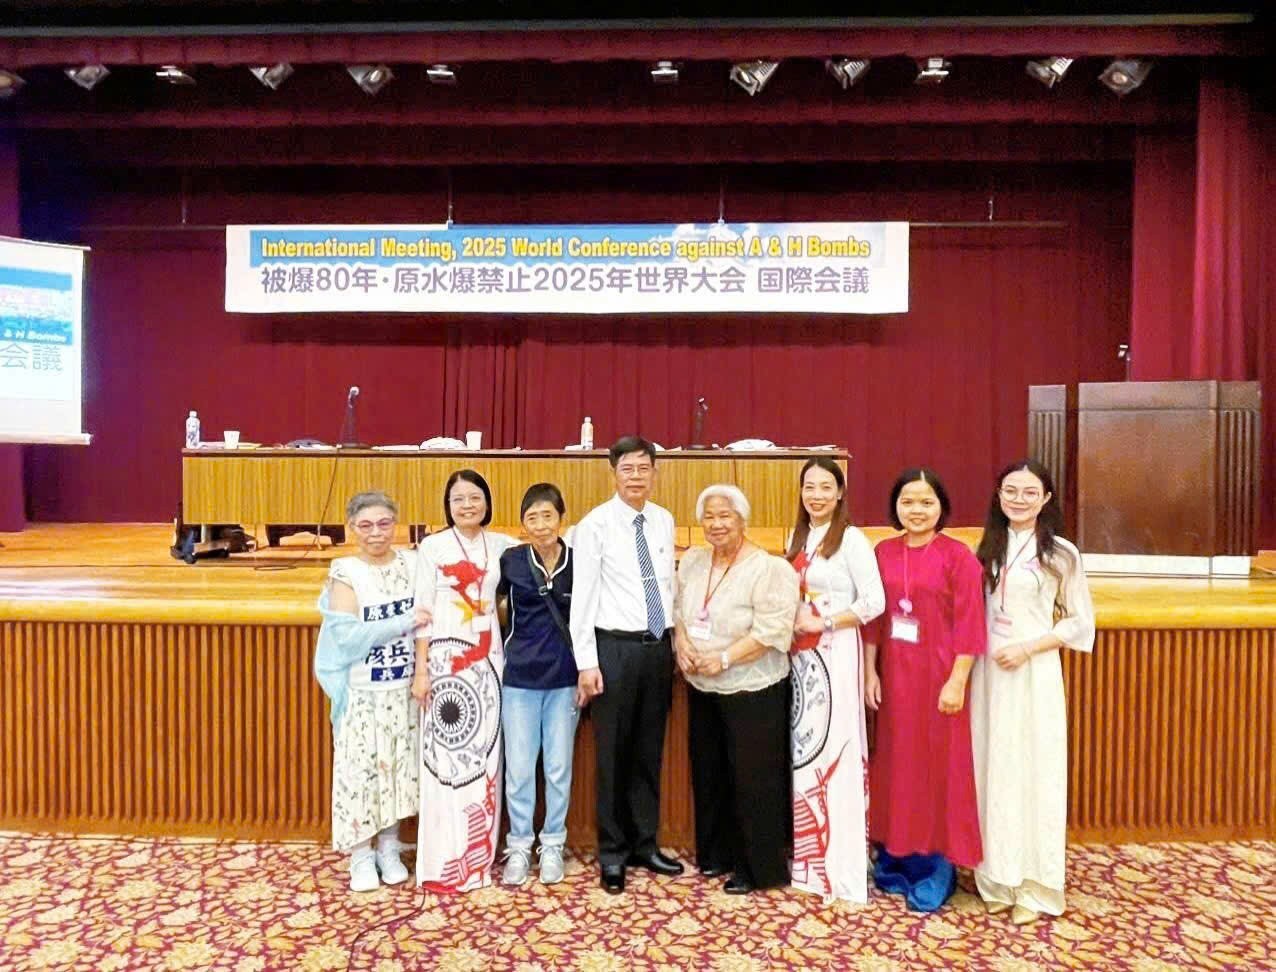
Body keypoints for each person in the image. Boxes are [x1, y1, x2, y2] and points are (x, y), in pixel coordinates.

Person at [971, 459, 1095, 925]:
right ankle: (997, 877)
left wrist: (1027, 648)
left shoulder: (1061, 552)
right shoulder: (988, 546)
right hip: (988, 674)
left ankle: (1036, 888)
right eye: (1009, 491)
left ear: (1045, 498)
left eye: (1028, 492)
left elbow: (1079, 622)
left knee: (1032, 772)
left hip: (1032, 671)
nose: (1017, 500)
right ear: (997, 496)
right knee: (993, 768)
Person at [865, 468, 986, 912]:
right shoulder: (883, 552)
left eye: (926, 502)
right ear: (895, 505)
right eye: (908, 502)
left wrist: (958, 680)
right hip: (895, 677)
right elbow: (874, 619)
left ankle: (937, 866)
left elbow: (972, 624)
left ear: (941, 507)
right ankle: (897, 857)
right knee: (897, 764)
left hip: (939, 682)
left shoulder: (959, 556)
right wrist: (869, 672)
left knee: (937, 770)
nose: (916, 510)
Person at [570, 435, 683, 894]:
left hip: (657, 647)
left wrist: (674, 645)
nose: (636, 477)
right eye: (627, 469)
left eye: (644, 468)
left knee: (648, 750)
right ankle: (612, 853)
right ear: (613, 473)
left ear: (655, 472)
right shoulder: (593, 525)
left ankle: (644, 843)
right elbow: (584, 598)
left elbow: (668, 586)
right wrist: (586, 663)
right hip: (612, 650)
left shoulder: (664, 520)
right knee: (613, 755)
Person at [675, 485, 799, 894]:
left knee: (753, 779)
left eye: (726, 515)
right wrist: (682, 645)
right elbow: (679, 610)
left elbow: (773, 631)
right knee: (711, 773)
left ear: (743, 520)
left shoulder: (770, 569)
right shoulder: (693, 561)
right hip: (702, 684)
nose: (717, 524)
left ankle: (758, 867)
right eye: (709, 516)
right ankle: (718, 855)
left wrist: (725, 658)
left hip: (752, 688)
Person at [314, 491, 430, 892]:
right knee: (361, 774)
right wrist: (400, 622)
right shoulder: (345, 571)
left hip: (402, 689)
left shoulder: (413, 564)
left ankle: (389, 847)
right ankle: (361, 855)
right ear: (352, 529)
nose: (376, 533)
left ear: (395, 523)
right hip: (363, 692)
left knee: (397, 770)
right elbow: (347, 637)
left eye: (383, 523)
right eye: (366, 525)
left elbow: (428, 619)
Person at [412, 469, 517, 892]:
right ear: (448, 505)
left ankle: (476, 862)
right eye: (458, 499)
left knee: (484, 760)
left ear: (487, 502)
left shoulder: (504, 546)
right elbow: (422, 612)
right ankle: (439, 861)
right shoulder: (432, 547)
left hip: (490, 664)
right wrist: (421, 671)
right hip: (445, 663)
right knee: (444, 764)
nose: (467, 506)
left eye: (475, 497)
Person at [785, 458, 885, 903]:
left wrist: (823, 622)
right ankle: (810, 865)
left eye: (826, 487)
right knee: (805, 752)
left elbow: (873, 602)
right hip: (802, 661)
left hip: (836, 652)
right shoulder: (799, 536)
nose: (817, 495)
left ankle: (841, 865)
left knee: (836, 753)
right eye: (810, 487)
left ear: (841, 493)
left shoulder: (854, 541)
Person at [495, 483, 579, 887]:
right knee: (521, 769)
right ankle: (518, 846)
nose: (541, 525)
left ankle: (553, 844)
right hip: (520, 679)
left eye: (548, 515)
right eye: (532, 517)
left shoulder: (578, 563)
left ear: (561, 518)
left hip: (564, 678)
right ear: (523, 523)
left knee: (560, 768)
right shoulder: (510, 561)